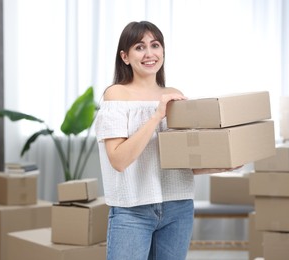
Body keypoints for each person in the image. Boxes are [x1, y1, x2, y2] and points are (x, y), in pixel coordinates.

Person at [95, 21, 238, 260]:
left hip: (178, 207)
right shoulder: (116, 94)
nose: (149, 53)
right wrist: (157, 116)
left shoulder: (173, 93)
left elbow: (180, 160)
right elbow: (119, 160)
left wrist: (223, 165)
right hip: (133, 211)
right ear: (125, 56)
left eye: (155, 45)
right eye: (139, 47)